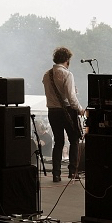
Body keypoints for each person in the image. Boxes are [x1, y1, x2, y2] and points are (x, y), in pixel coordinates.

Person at [42, 46, 83, 182]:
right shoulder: (67, 74)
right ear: (67, 60)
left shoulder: (47, 74)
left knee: (58, 142)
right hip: (66, 111)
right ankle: (73, 171)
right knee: (74, 139)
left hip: (52, 112)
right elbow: (71, 97)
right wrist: (80, 109)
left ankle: (56, 174)